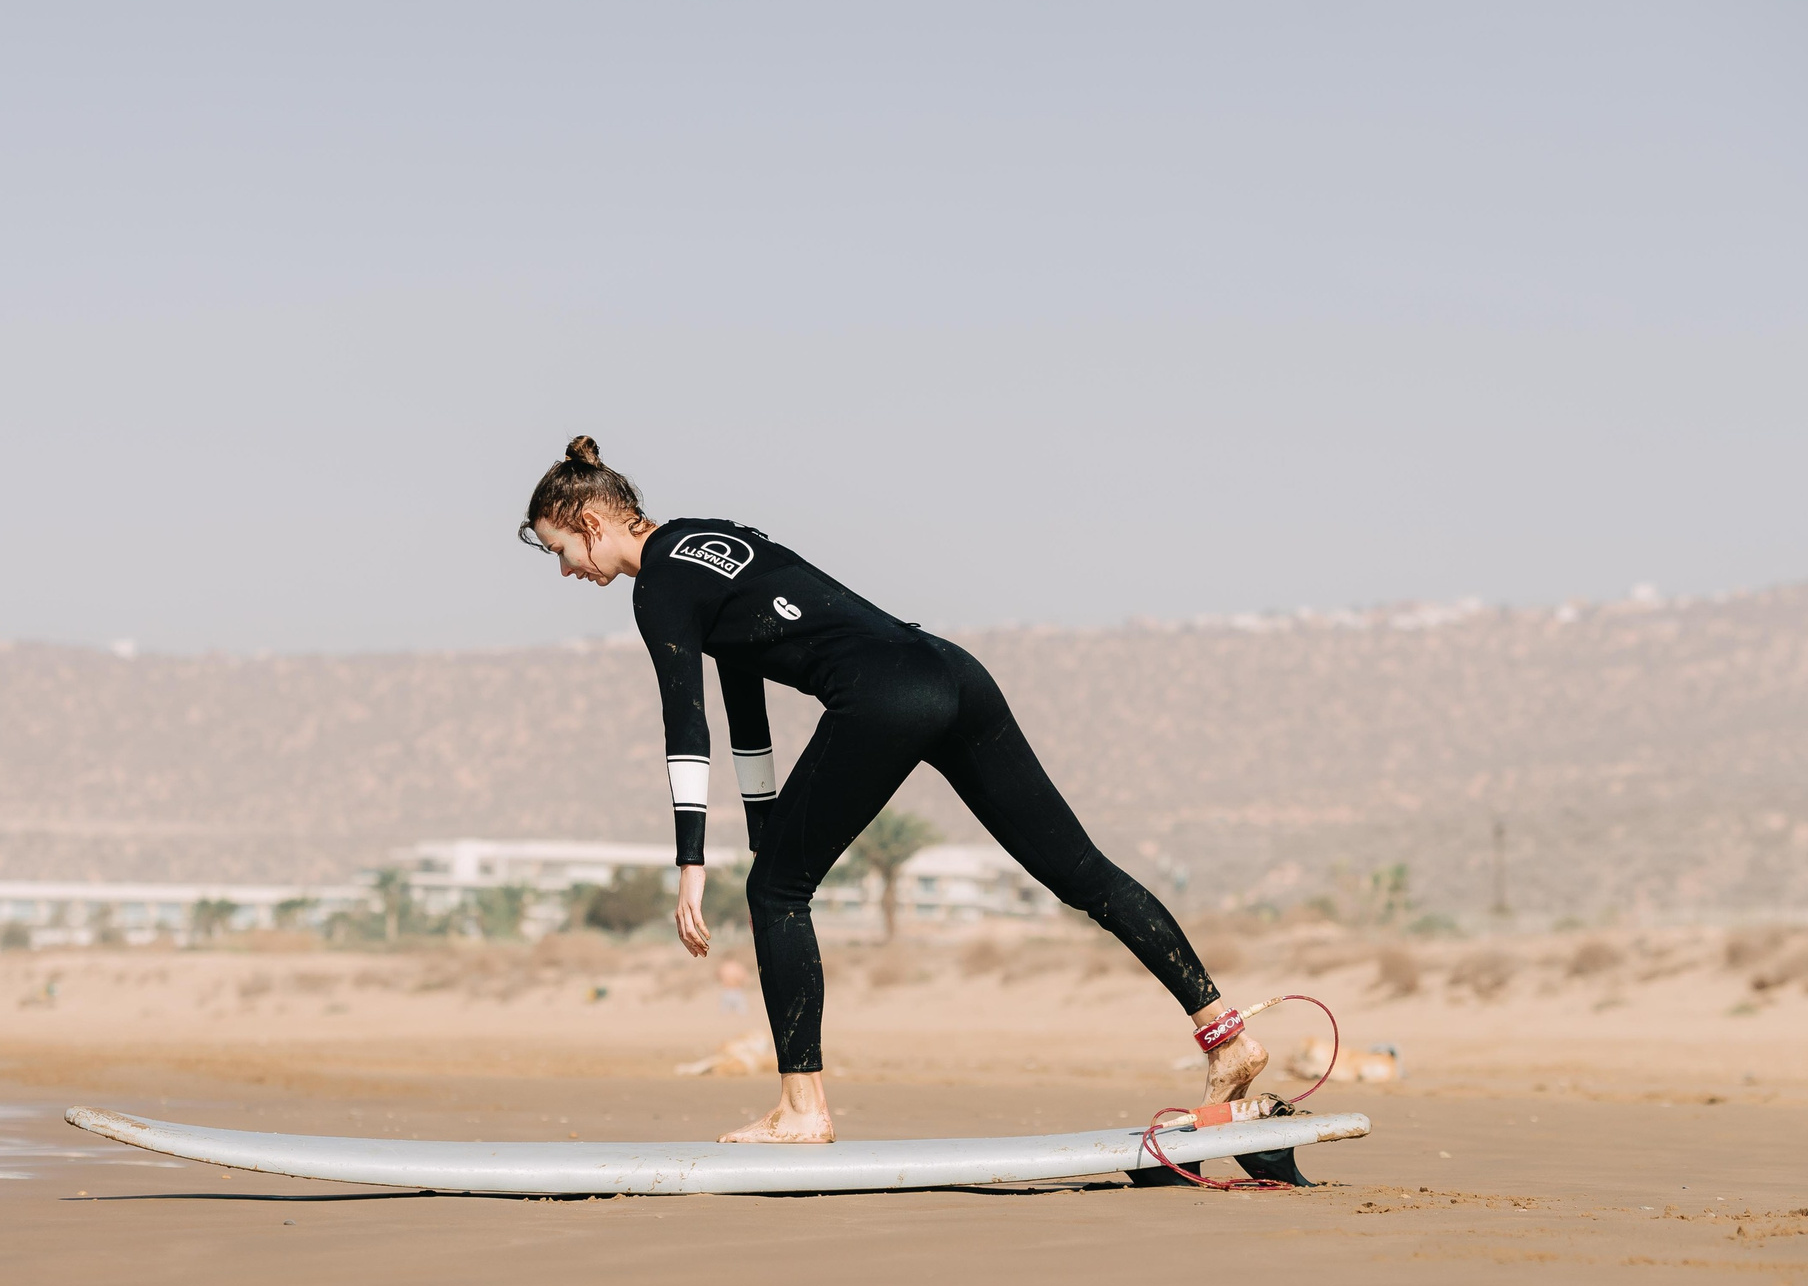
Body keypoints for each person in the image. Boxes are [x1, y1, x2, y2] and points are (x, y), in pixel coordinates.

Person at [520, 438, 1267, 1143]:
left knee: (776, 895)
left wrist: (691, 863)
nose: (565, 572)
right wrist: (762, 832)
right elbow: (742, 705)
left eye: (560, 551)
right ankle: (1226, 1037)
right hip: (951, 672)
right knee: (1078, 870)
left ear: (589, 522)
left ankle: (800, 1108)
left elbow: (685, 722)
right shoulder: (711, 539)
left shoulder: (656, 590)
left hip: (883, 697)